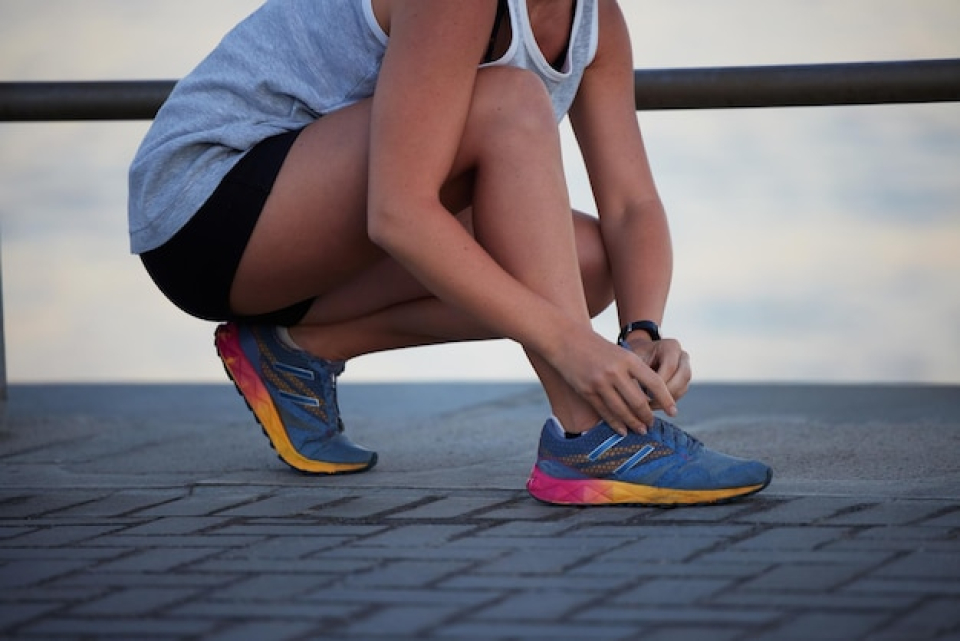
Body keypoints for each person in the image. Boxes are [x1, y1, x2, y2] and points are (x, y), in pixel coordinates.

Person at [128, 0, 771, 506]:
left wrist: (639, 331)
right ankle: (591, 437)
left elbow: (633, 206)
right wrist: (572, 346)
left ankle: (296, 351)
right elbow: (399, 213)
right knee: (509, 102)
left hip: (311, 236)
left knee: (589, 265)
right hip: (205, 204)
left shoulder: (595, 21)